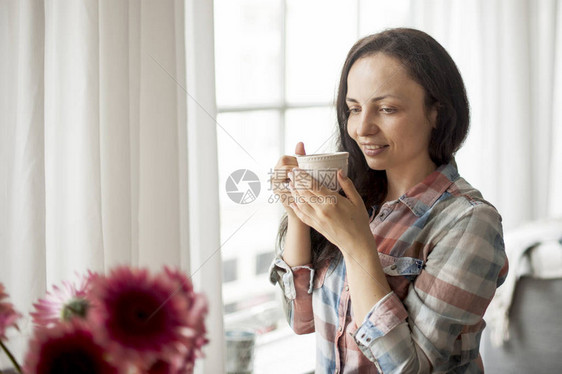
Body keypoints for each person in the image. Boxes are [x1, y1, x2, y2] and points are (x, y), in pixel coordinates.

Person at [269, 28, 509, 373]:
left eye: (386, 109)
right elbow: (300, 319)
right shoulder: (352, 199)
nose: (362, 128)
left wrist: (356, 246)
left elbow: (410, 368)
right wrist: (297, 212)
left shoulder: (469, 223)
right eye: (354, 109)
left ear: (437, 113)